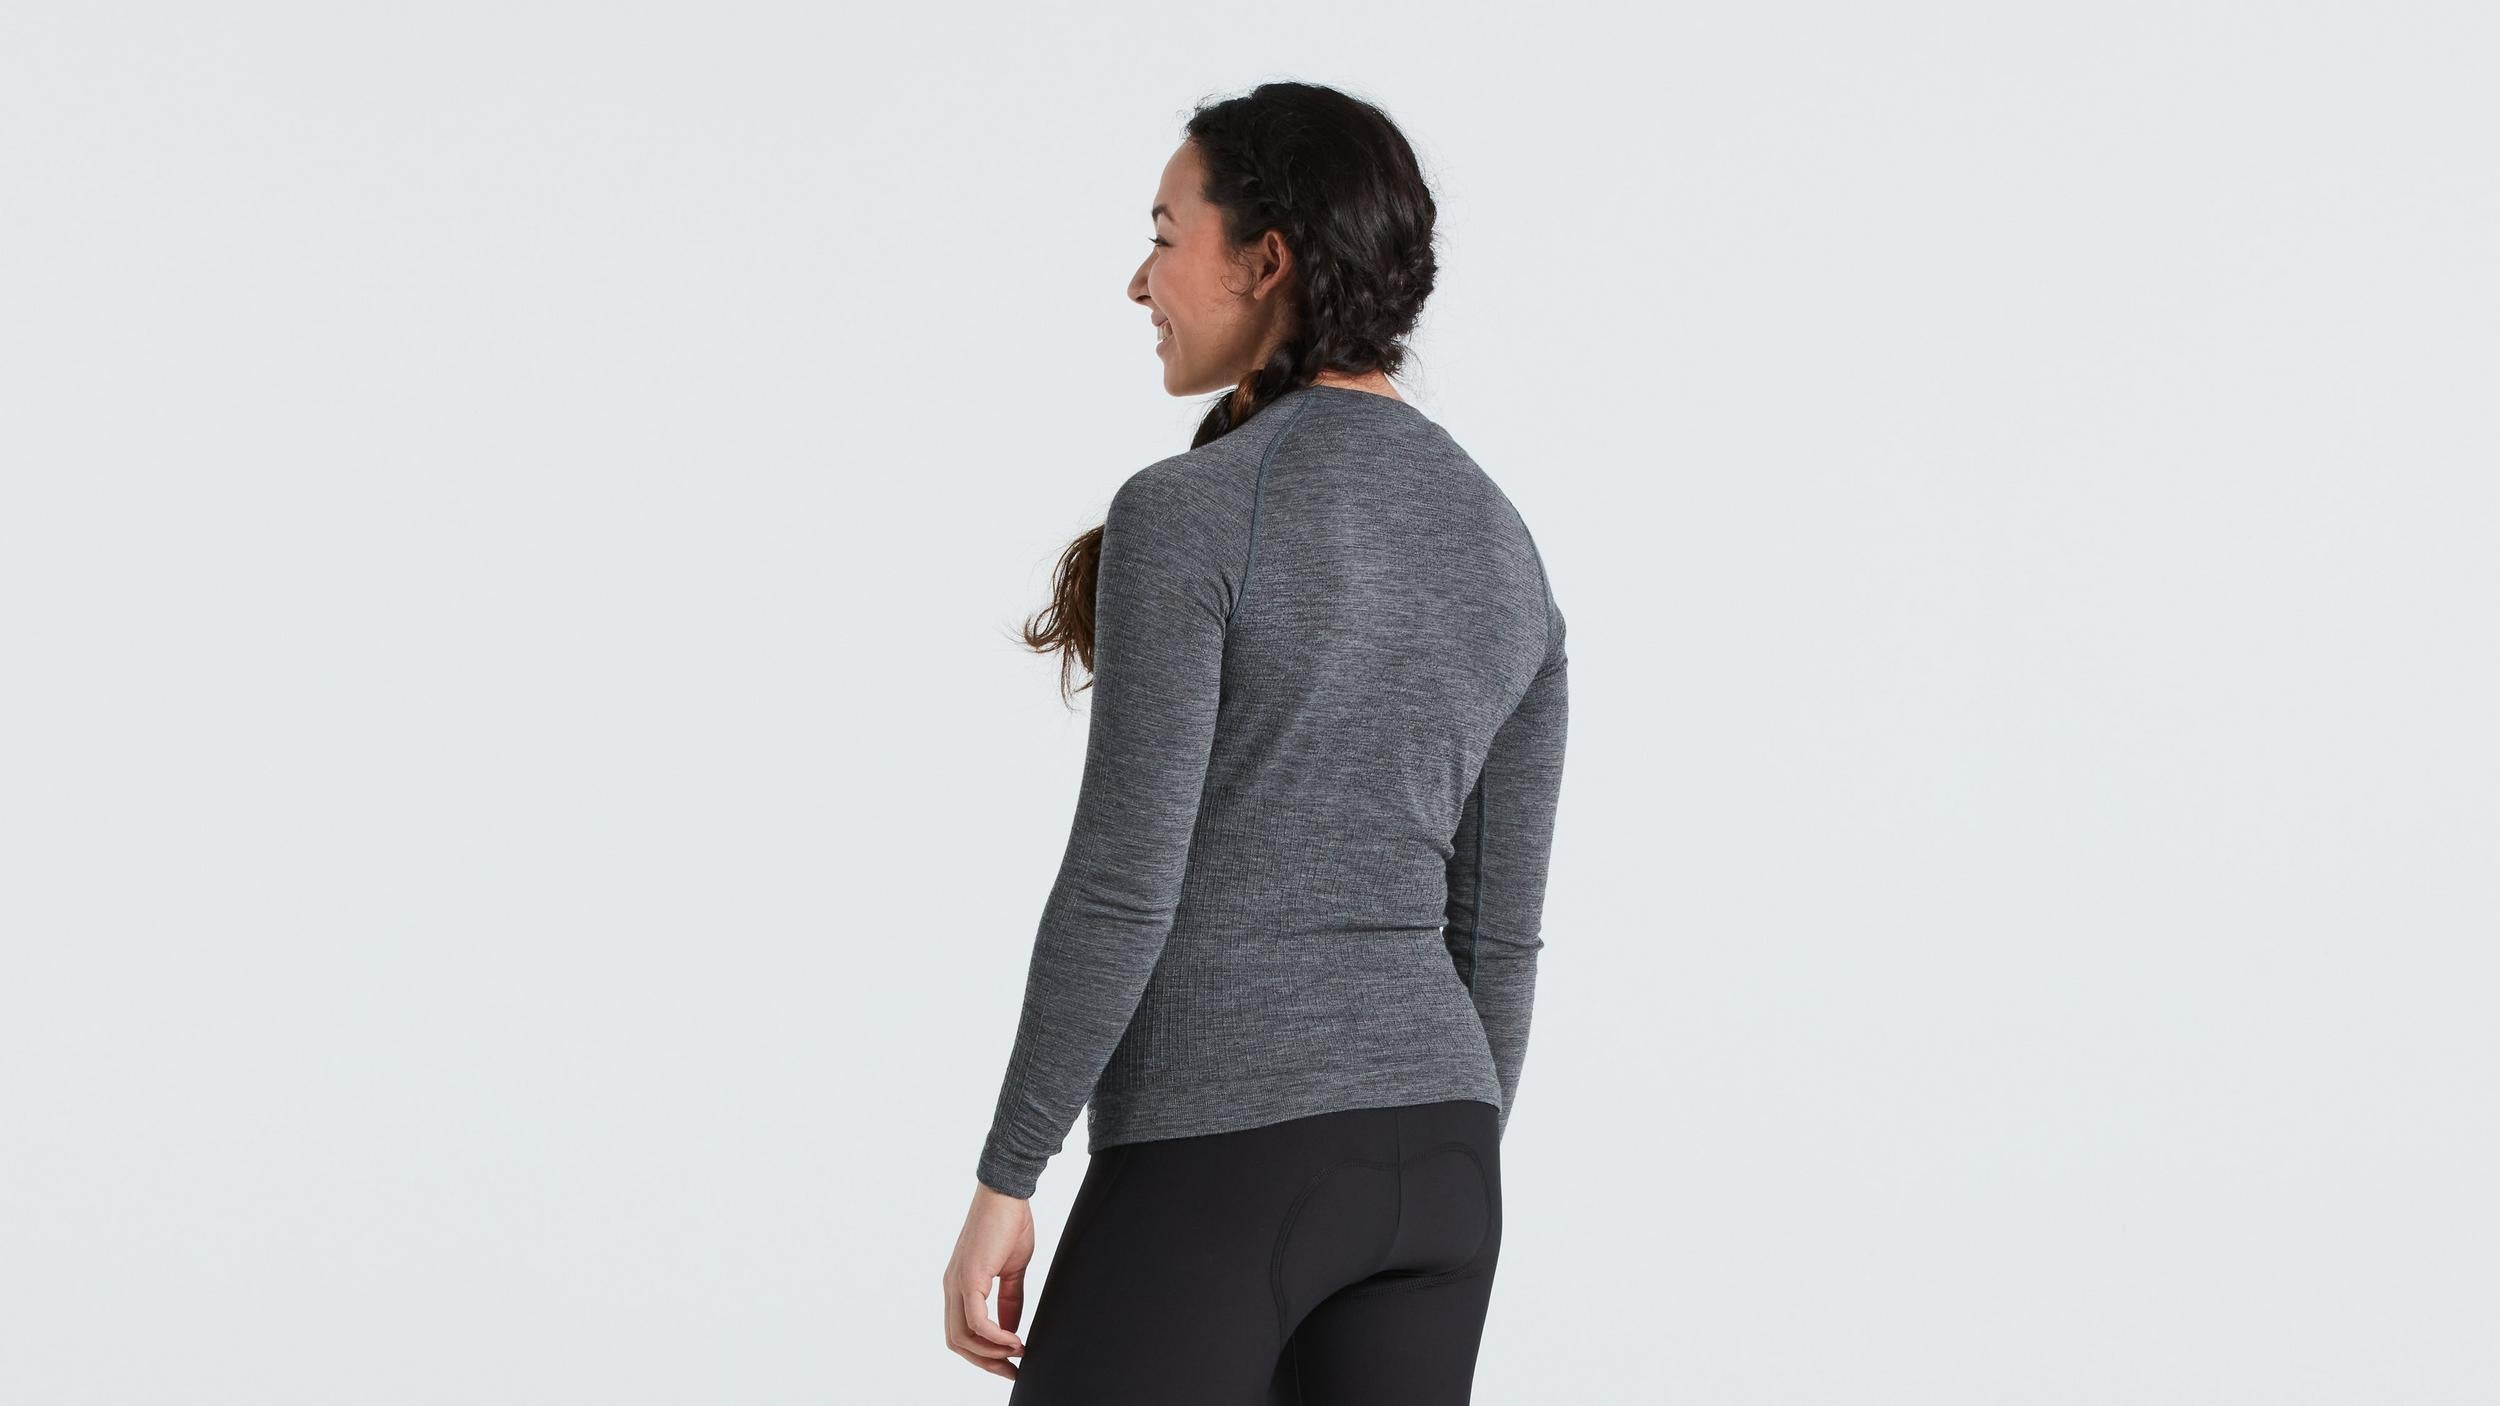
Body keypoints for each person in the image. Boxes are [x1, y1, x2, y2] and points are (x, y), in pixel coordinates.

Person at [941, 81, 1569, 1405]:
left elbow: (1125, 883)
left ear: (1265, 259)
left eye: (1165, 235)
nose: (1140, 280)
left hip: (1226, 1146)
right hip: (1447, 1165)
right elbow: (1497, 936)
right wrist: (1432, 1141)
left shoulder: (1195, 510)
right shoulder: (1506, 547)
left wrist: (1010, 1170)